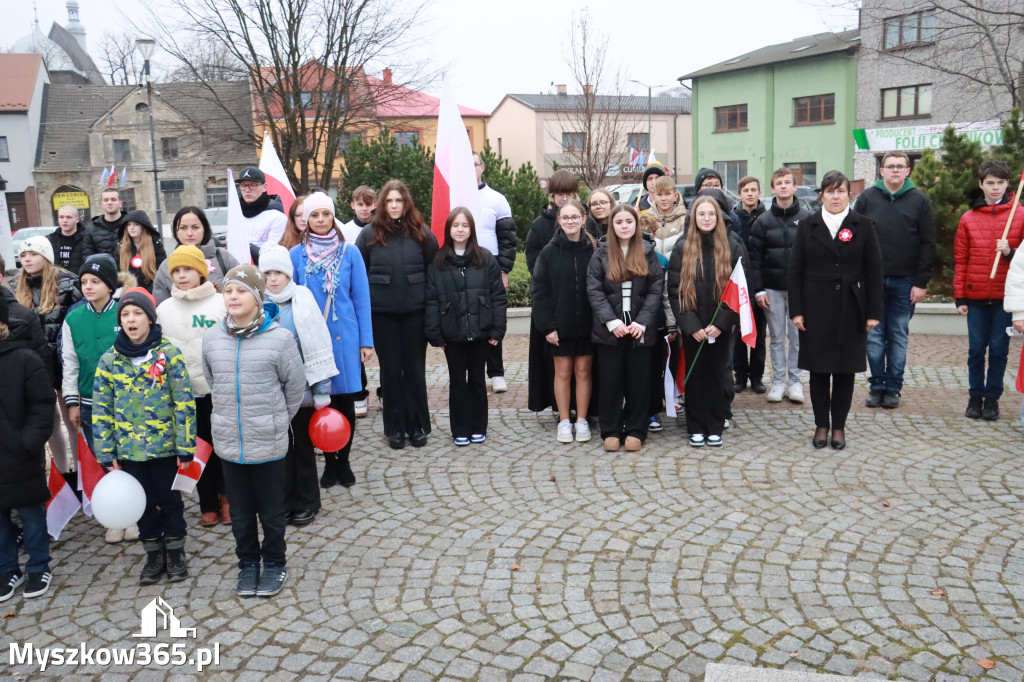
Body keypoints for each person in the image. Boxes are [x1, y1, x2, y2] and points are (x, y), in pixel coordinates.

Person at [202, 265, 305, 598]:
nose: (233, 296)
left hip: (268, 441)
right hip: (230, 442)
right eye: (229, 290)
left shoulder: (280, 339)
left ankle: (274, 562)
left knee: (272, 512)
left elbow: (294, 387)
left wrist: (274, 420)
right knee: (241, 513)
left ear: (258, 298)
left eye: (241, 290)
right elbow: (213, 381)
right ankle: (247, 563)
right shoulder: (213, 338)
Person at [93, 288, 196, 584]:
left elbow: (184, 402)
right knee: (143, 504)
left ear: (150, 319)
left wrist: (185, 445)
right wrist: (106, 454)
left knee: (170, 500)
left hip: (165, 448)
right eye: (125, 314)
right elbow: (101, 410)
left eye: (137, 313)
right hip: (129, 451)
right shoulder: (109, 361)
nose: (131, 319)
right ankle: (153, 554)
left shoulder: (169, 355)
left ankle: (175, 551)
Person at [789, 170, 883, 450]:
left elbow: (874, 271)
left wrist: (873, 312)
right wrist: (797, 310)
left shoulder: (863, 225)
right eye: (830, 191)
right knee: (819, 370)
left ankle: (839, 426)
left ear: (849, 194)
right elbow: (795, 271)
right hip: (816, 308)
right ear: (822, 195)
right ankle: (821, 424)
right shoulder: (808, 225)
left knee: (844, 372)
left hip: (852, 308)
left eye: (840, 191)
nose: (835, 196)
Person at [288, 191, 373, 484]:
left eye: (325, 214)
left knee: (344, 400)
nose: (321, 220)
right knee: (320, 402)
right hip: (311, 339)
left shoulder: (350, 252)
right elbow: (290, 298)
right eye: (314, 215)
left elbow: (361, 299)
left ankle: (344, 461)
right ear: (306, 221)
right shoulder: (296, 255)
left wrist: (366, 341)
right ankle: (327, 461)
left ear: (333, 216)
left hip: (345, 337)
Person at [355, 180, 436, 449]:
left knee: (414, 371)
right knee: (390, 372)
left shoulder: (422, 233)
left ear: (406, 203)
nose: (393, 206)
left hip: (415, 314)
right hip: (383, 317)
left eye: (398, 201)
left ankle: (417, 426)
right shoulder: (368, 235)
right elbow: (359, 278)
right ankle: (395, 429)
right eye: (389, 201)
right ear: (382, 204)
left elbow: (433, 272)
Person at [852, 151, 935, 409]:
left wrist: (921, 282)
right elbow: (855, 239)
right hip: (872, 282)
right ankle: (876, 386)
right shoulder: (866, 199)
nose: (895, 170)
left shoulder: (920, 201)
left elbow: (928, 243)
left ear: (908, 170)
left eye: (900, 166)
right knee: (874, 336)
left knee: (898, 335)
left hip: (905, 282)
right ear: (881, 171)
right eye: (890, 166)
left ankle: (893, 388)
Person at [264, 241, 342, 506]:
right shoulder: (258, 303)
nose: (273, 279)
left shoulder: (302, 298)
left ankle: (308, 500)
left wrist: (321, 389)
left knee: (303, 447)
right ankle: (284, 500)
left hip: (301, 389)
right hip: (270, 391)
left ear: (287, 273)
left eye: (278, 273)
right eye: (267, 274)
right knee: (278, 451)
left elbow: (317, 342)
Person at [156, 246, 229, 527]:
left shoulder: (220, 304)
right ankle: (207, 502)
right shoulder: (164, 309)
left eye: (187, 269)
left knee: (222, 447)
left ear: (201, 272)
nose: (182, 275)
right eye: (176, 271)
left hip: (217, 389)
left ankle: (227, 499)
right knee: (196, 449)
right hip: (184, 394)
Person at [425, 207, 507, 445]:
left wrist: (497, 329)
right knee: (458, 382)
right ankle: (460, 428)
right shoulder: (438, 262)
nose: (460, 230)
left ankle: (478, 425)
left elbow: (498, 297)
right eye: (455, 225)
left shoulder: (485, 258)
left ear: (471, 229)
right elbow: (431, 300)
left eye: (465, 225)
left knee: (478, 381)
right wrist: (435, 334)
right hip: (452, 334)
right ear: (448, 229)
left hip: (481, 331)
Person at [668, 196, 746, 447]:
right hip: (695, 327)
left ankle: (715, 425)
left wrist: (722, 323)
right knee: (696, 376)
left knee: (717, 375)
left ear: (718, 217)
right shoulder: (682, 247)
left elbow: (741, 289)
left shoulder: (733, 245)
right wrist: (691, 326)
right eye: (701, 214)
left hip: (720, 326)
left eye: (711, 214)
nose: (706, 218)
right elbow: (675, 290)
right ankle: (695, 426)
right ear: (693, 218)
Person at [587, 205, 663, 452]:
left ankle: (635, 429)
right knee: (610, 381)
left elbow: (655, 289)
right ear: (611, 226)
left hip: (640, 326)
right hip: (610, 327)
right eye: (618, 222)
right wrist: (612, 322)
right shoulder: (601, 253)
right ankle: (610, 429)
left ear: (636, 224)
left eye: (628, 221)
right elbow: (595, 290)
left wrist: (641, 322)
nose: (624, 226)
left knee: (638, 381)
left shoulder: (648, 251)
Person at [954, 159, 1024, 420]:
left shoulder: (1020, 215)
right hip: (975, 296)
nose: (996, 188)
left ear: (1008, 184)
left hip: (1005, 298)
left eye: (1001, 183)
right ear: (981, 184)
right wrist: (960, 295)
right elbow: (961, 259)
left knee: (998, 350)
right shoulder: (968, 219)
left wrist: (1010, 252)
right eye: (990, 183)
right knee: (975, 349)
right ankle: (975, 395)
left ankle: (992, 398)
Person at [525, 170, 598, 414]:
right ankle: (562, 411)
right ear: (552, 195)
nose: (564, 199)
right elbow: (537, 272)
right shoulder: (540, 227)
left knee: (585, 370)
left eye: (569, 194)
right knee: (559, 369)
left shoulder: (590, 232)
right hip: (557, 309)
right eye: (559, 195)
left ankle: (585, 414)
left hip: (585, 315)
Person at [0, 293, 56, 602]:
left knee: (32, 515)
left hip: (21, 454)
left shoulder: (25, 359)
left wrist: (29, 442)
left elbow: (42, 404)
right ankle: (7, 569)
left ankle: (38, 566)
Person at [13, 237, 82, 476]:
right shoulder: (16, 287)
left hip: (63, 364)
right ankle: (62, 474)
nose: (27, 260)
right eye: (23, 256)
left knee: (72, 419)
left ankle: (81, 474)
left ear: (46, 257)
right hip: (34, 366)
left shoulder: (68, 284)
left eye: (33, 254)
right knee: (49, 424)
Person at [531, 199, 596, 444]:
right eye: (565, 217)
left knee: (583, 372)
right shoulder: (548, 252)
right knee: (564, 372)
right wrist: (547, 325)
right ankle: (564, 421)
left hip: (588, 325)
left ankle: (581, 420)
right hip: (560, 325)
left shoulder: (593, 249)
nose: (570, 221)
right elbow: (539, 291)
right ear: (559, 220)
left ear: (583, 219)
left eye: (574, 217)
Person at [749, 168, 811, 404]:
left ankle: (795, 382)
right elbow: (754, 259)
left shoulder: (807, 218)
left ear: (795, 187)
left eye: (788, 182)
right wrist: (759, 289)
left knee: (796, 337)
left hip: (799, 290)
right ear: (773, 189)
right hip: (772, 289)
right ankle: (777, 382)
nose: (783, 186)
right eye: (779, 183)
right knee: (776, 337)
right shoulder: (762, 221)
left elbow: (814, 256)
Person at [474, 153, 518, 395]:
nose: (471, 170)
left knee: (493, 320)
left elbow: (507, 239)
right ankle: (472, 370)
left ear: (482, 167)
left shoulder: (497, 199)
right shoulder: (454, 197)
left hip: (490, 270)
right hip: (461, 269)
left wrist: (504, 270)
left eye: (474, 165)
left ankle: (496, 373)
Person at [152, 206, 240, 305]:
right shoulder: (166, 265)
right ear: (176, 232)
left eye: (195, 227)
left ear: (205, 229)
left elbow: (243, 291)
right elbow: (161, 307)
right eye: (183, 228)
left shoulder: (223, 257)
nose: (189, 233)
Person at [339, 186, 375, 416]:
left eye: (368, 204)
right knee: (355, 346)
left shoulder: (380, 228)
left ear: (375, 205)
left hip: (376, 292)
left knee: (378, 345)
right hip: (352, 294)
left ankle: (384, 390)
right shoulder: (344, 230)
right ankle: (359, 393)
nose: (364, 208)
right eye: (359, 204)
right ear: (352, 205)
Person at [732, 176, 768, 394]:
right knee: (737, 334)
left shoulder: (766, 217)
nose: (750, 194)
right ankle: (740, 376)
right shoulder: (733, 218)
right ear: (739, 194)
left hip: (760, 280)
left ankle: (757, 376)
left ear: (759, 192)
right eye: (746, 190)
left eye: (754, 189)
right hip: (737, 280)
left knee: (758, 333)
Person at [237, 167, 287, 264]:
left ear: (264, 187)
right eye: (243, 185)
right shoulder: (236, 215)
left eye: (253, 185)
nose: (247, 190)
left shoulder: (277, 217)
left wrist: (244, 246)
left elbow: (272, 255)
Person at [118, 209, 166, 292]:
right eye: (129, 225)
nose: (132, 228)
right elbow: (117, 273)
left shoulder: (156, 246)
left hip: (152, 292)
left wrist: (147, 293)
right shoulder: (120, 247)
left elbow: (161, 272)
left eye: (136, 224)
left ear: (144, 226)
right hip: (128, 293)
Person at [646, 176, 688, 259]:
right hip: (653, 269)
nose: (663, 198)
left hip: (677, 269)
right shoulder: (647, 220)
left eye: (668, 194)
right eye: (659, 194)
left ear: (675, 196)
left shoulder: (685, 220)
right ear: (654, 196)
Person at [82, 187, 126, 260]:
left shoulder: (129, 225)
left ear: (120, 203)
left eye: (113, 199)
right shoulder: (91, 230)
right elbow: (88, 258)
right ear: (101, 204)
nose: (109, 202)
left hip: (127, 271)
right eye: (106, 200)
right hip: (102, 270)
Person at [47, 205, 86, 273]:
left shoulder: (86, 239)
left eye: (69, 217)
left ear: (77, 220)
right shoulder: (50, 240)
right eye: (61, 217)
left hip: (79, 280)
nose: (64, 220)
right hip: (56, 280)